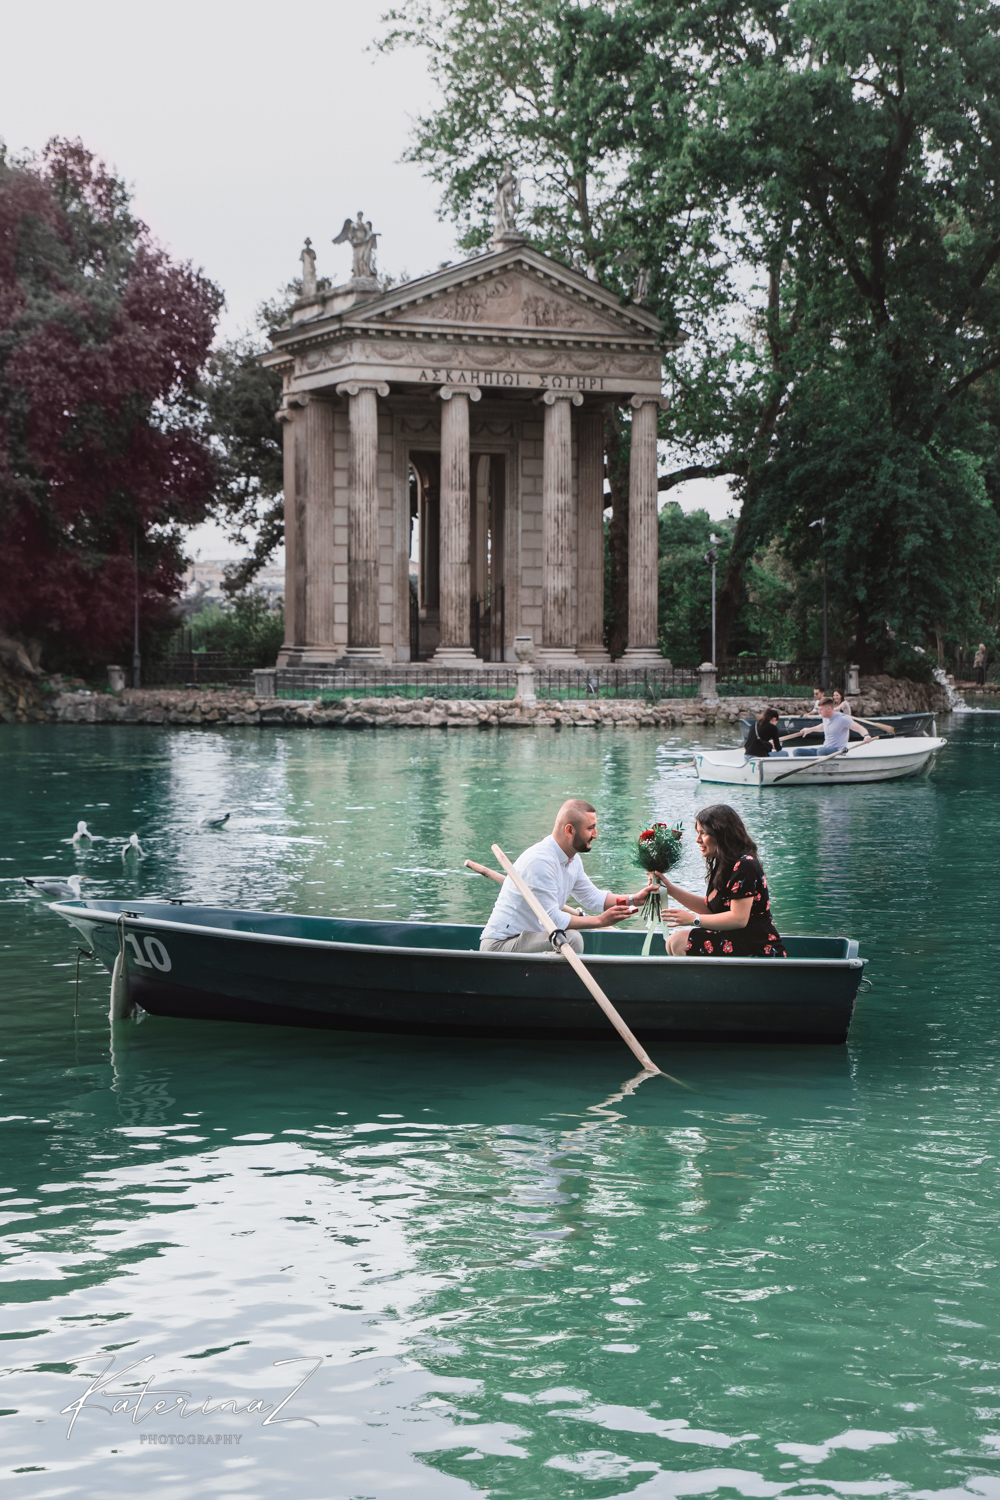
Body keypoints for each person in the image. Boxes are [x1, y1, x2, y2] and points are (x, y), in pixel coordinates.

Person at [480, 799, 649, 953]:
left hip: (532, 937)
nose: (596, 834)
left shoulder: (572, 859)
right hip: (501, 945)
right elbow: (551, 919)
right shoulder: (540, 861)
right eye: (590, 828)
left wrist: (634, 899)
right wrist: (600, 921)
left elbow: (592, 897)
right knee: (571, 939)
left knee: (568, 937)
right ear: (569, 830)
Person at [653, 804, 786, 958]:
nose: (698, 840)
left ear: (721, 834)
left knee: (678, 941)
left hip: (756, 947)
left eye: (703, 833)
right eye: (698, 833)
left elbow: (738, 919)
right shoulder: (724, 863)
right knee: (673, 941)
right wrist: (669, 889)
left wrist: (693, 920)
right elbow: (711, 909)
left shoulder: (745, 865)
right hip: (735, 939)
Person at [783, 696, 871, 753]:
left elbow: (859, 728)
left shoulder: (842, 718)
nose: (819, 712)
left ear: (828, 709)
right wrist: (809, 729)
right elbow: (823, 726)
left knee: (821, 751)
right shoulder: (825, 718)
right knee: (797, 751)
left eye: (821, 709)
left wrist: (866, 735)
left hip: (838, 751)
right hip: (825, 748)